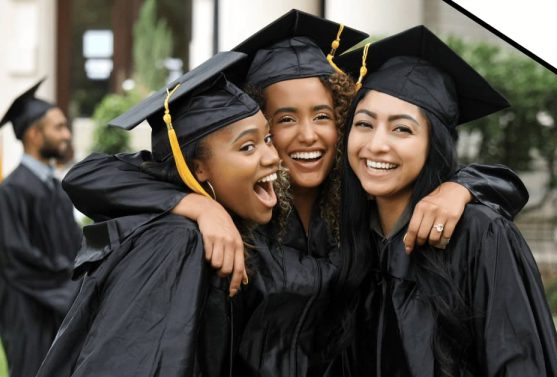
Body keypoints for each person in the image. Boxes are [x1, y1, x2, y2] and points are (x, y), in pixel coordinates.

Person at [58, 11, 529, 376]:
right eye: (284, 120)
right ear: (259, 125)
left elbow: (459, 181)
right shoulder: (238, 207)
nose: (309, 135)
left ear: (341, 120)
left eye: (323, 116)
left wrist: (461, 187)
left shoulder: (355, 204)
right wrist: (198, 205)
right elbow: (91, 176)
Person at [336, 26, 557, 376]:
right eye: (364, 124)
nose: (377, 145)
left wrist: (465, 186)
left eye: (402, 129)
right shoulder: (349, 236)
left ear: (435, 144)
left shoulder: (478, 235)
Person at [36, 51, 282, 376]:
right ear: (197, 168)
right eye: (247, 147)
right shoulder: (175, 240)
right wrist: (199, 205)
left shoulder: (226, 230)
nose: (273, 156)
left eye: (267, 138)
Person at [0, 78, 82, 377]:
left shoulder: (55, 188)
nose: (67, 135)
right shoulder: (10, 194)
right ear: (33, 134)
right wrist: (70, 285)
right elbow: (17, 261)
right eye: (58, 127)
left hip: (59, 304)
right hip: (29, 312)